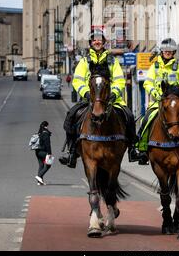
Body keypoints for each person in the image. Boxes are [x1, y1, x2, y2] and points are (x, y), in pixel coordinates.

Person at [61, 28, 143, 168]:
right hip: (90, 99)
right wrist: (86, 93)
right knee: (71, 115)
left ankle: (132, 150)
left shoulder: (112, 60)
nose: (97, 41)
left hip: (110, 99)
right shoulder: (85, 61)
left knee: (128, 115)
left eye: (99, 39)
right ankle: (72, 152)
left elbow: (119, 80)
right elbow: (78, 80)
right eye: (94, 39)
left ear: (104, 42)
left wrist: (114, 94)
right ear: (91, 43)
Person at [35, 121, 52, 185]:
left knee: (41, 165)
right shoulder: (45, 133)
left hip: (37, 151)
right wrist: (49, 153)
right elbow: (48, 145)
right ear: (46, 126)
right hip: (43, 152)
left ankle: (39, 182)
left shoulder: (40, 132)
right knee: (48, 165)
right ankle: (39, 176)